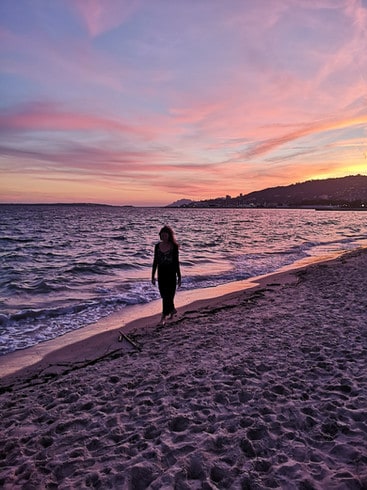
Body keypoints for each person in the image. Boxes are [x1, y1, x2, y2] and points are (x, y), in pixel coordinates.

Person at [151, 225, 181, 325]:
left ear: (169, 236)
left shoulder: (174, 247)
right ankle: (172, 310)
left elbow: (176, 262)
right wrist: (153, 276)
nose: (164, 237)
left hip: (171, 273)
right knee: (164, 295)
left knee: (169, 295)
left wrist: (179, 277)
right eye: (162, 235)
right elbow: (155, 262)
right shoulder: (157, 246)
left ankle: (163, 317)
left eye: (166, 235)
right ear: (160, 236)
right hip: (161, 273)